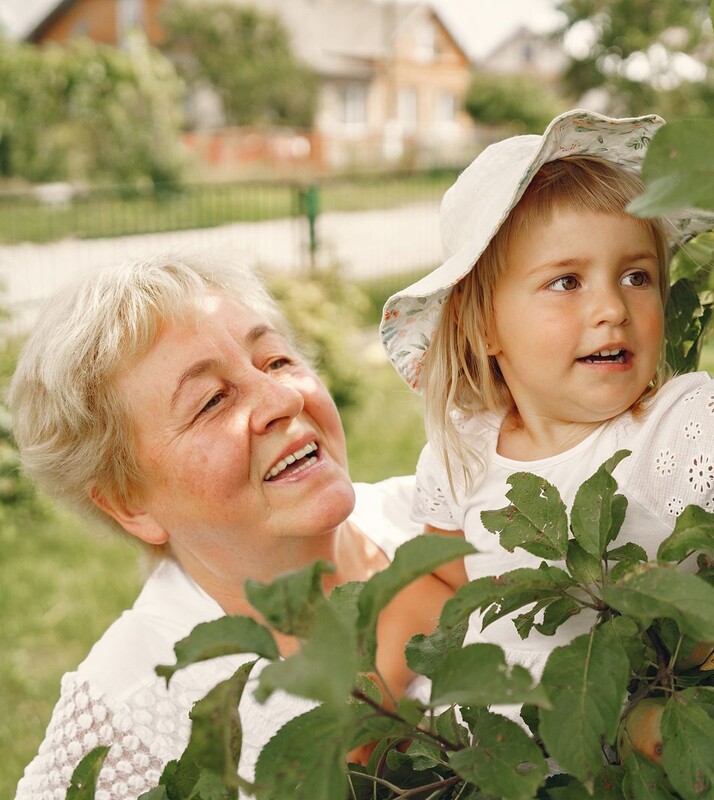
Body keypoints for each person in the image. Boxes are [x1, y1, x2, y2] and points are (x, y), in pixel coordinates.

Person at [378, 109, 714, 679]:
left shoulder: (675, 430)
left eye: (636, 276)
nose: (612, 308)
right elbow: (441, 578)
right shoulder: (464, 446)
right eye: (566, 281)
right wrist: (380, 701)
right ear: (484, 326)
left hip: (640, 729)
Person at [11, 252, 453, 800]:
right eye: (212, 401)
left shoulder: (461, 519)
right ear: (130, 503)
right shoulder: (127, 714)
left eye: (276, 361)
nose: (284, 397)